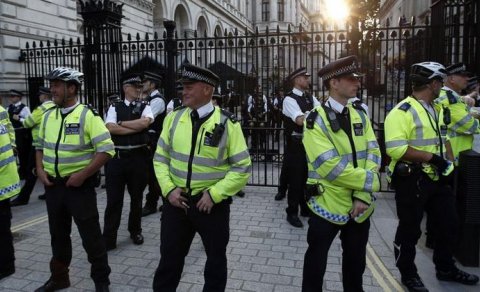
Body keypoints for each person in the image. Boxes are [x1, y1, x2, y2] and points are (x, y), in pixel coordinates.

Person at [152, 64, 251, 291]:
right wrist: (169, 190)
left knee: (215, 265)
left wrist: (214, 195)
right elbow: (160, 159)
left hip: (211, 207)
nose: (183, 92)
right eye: (182, 87)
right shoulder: (173, 118)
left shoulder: (228, 124)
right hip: (176, 204)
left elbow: (242, 167)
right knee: (169, 263)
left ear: (207, 90)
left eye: (189, 87)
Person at [384, 61, 479, 291]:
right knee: (410, 230)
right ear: (433, 83)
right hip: (412, 180)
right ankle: (408, 274)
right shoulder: (401, 112)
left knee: (449, 224)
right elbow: (396, 149)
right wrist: (431, 159)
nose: (443, 85)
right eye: (441, 81)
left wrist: (449, 164)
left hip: (437, 179)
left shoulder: (436, 108)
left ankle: (445, 268)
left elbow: (443, 138)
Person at [302, 56, 381, 291]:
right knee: (315, 265)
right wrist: (370, 182)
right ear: (333, 83)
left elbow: (374, 152)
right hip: (327, 204)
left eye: (357, 78)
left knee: (355, 267)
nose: (357, 83)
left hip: (361, 205)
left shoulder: (359, 114)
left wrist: (363, 195)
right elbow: (329, 167)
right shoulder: (315, 120)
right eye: (351, 78)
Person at [35, 67, 113, 292]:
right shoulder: (49, 114)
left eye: (57, 85)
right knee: (57, 236)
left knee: (91, 238)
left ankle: (101, 282)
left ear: (72, 88)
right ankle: (59, 278)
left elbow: (106, 150)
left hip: (79, 188)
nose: (52, 89)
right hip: (54, 187)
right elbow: (39, 146)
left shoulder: (87, 115)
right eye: (52, 85)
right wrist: (39, 169)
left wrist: (83, 175)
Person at [103, 74, 153, 249]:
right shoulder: (114, 106)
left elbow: (145, 124)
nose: (139, 89)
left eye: (140, 87)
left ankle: (135, 230)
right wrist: (134, 127)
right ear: (125, 88)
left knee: (136, 198)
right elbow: (110, 128)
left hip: (138, 158)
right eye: (135, 87)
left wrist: (122, 123)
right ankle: (109, 237)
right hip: (117, 159)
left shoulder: (145, 106)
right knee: (113, 201)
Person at [281, 67, 321, 227]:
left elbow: (321, 113)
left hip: (310, 146)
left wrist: (309, 114)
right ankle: (291, 212)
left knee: (308, 179)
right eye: (305, 78)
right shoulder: (289, 99)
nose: (307, 80)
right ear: (297, 80)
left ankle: (305, 208)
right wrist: (312, 115)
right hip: (295, 147)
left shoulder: (310, 97)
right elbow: (300, 120)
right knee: (296, 180)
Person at [10, 87, 55, 206]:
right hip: (50, 143)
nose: (39, 97)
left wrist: (19, 118)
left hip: (38, 145)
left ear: (45, 96)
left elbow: (28, 122)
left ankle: (23, 198)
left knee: (32, 171)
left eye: (40, 95)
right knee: (47, 168)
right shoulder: (55, 107)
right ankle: (49, 192)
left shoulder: (41, 109)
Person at [435, 63, 479, 165]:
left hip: (455, 155)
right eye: (463, 76)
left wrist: (471, 114)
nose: (467, 79)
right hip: (455, 157)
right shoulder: (450, 100)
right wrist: (475, 117)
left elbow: (467, 114)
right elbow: (471, 126)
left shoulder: (451, 96)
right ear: (451, 79)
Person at [141, 71, 167, 217]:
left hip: (155, 142)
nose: (142, 85)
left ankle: (152, 203)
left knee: (154, 174)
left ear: (152, 84)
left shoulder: (157, 100)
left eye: (145, 82)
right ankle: (162, 201)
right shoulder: (148, 98)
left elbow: (145, 119)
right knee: (151, 174)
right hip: (148, 141)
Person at [0, 105, 21, 281]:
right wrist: (12, 146)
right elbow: (10, 131)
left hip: (2, 179)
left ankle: (6, 266)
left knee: (2, 228)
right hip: (5, 176)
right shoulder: (0, 109)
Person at [7, 89, 32, 180]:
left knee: (22, 154)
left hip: (21, 133)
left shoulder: (24, 108)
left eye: (13, 96)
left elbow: (29, 121)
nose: (11, 98)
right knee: (12, 153)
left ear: (19, 97)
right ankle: (15, 171)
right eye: (11, 96)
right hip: (12, 133)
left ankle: (24, 172)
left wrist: (19, 119)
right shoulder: (8, 108)